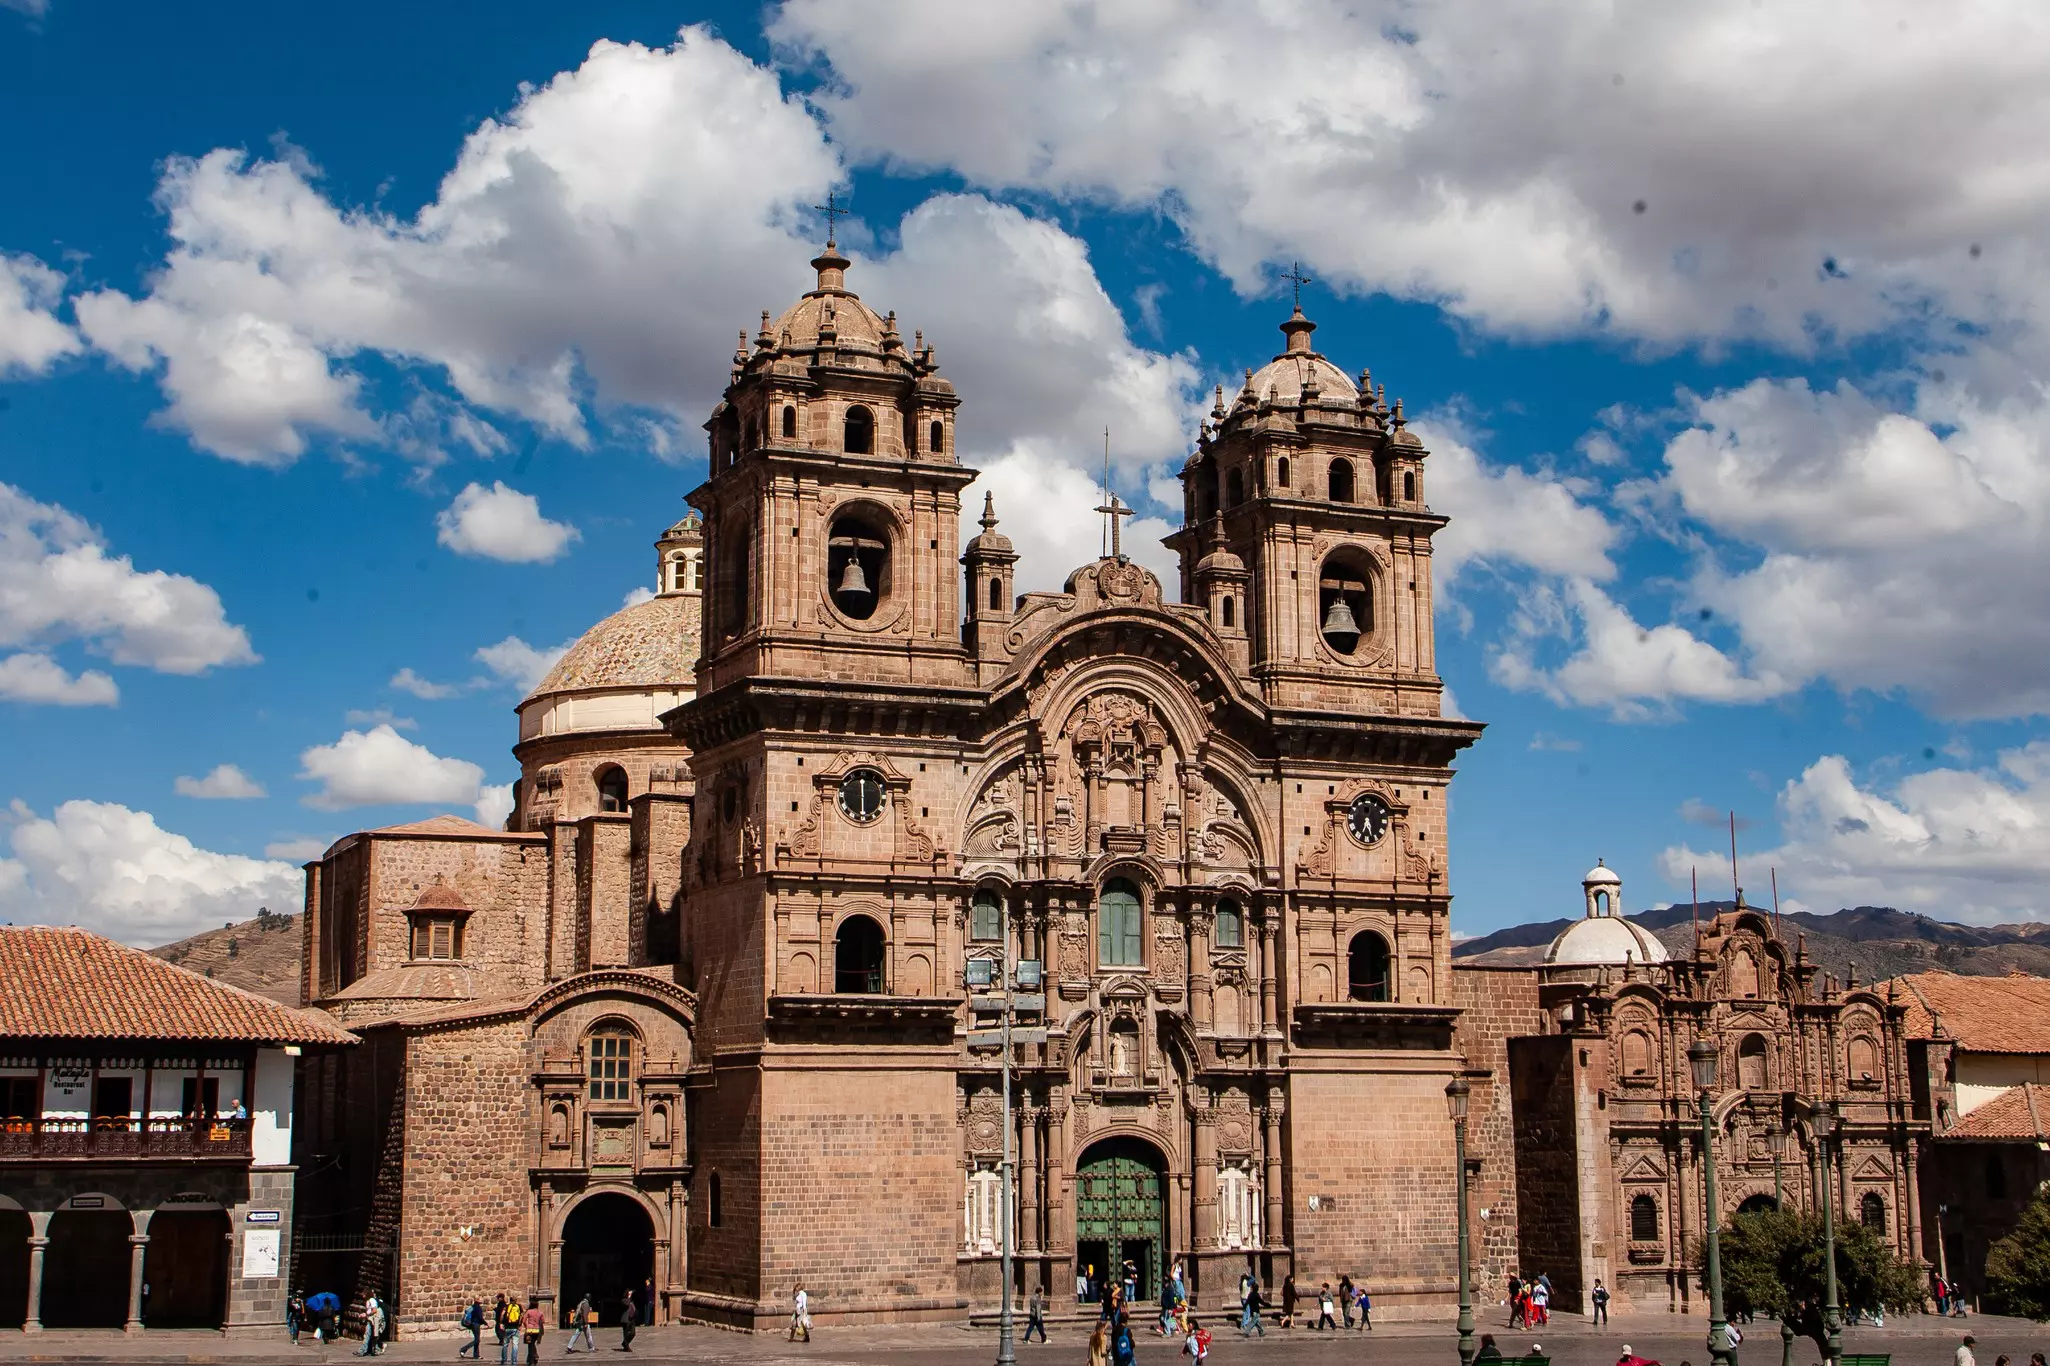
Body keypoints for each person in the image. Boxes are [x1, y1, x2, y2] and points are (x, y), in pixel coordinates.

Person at [500, 1294, 523, 1366]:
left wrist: (501, 1323)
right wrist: (520, 1325)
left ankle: (504, 1361)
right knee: (515, 1345)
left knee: (505, 1344)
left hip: (507, 1328)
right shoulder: (519, 1306)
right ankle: (514, 1362)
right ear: (516, 1300)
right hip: (516, 1328)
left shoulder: (506, 1307)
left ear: (510, 1300)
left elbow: (502, 1315)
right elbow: (522, 1315)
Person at [521, 1296, 545, 1365]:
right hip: (537, 1330)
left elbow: (524, 1320)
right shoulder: (540, 1313)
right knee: (532, 1344)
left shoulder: (529, 1311)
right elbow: (542, 1321)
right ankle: (531, 1359)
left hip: (530, 1330)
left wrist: (526, 1326)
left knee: (530, 1344)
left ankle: (533, 1357)